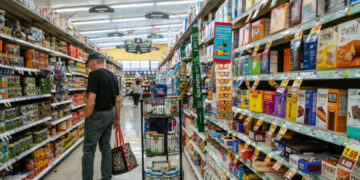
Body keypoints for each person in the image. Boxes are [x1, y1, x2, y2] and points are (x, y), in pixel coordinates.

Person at [82, 52, 121, 180]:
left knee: (88, 150)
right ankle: (106, 177)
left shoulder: (94, 75)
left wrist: (87, 117)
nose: (88, 66)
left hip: (97, 116)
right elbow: (117, 100)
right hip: (109, 114)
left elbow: (91, 100)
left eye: (88, 63)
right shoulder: (112, 75)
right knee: (105, 147)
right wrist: (117, 118)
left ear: (93, 61)